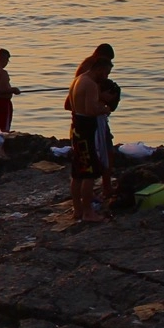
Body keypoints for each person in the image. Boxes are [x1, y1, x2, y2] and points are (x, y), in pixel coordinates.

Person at [66, 46, 113, 222]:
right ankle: (87, 212)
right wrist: (105, 108)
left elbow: (75, 107)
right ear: (99, 69)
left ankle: (77, 210)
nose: (106, 77)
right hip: (87, 130)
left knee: (77, 172)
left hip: (76, 127)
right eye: (106, 73)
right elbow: (90, 110)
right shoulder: (91, 84)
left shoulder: (78, 79)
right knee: (89, 173)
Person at [96, 80, 122, 203]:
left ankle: (107, 187)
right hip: (94, 128)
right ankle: (105, 189)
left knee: (108, 153)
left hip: (100, 124)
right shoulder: (89, 84)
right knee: (104, 155)